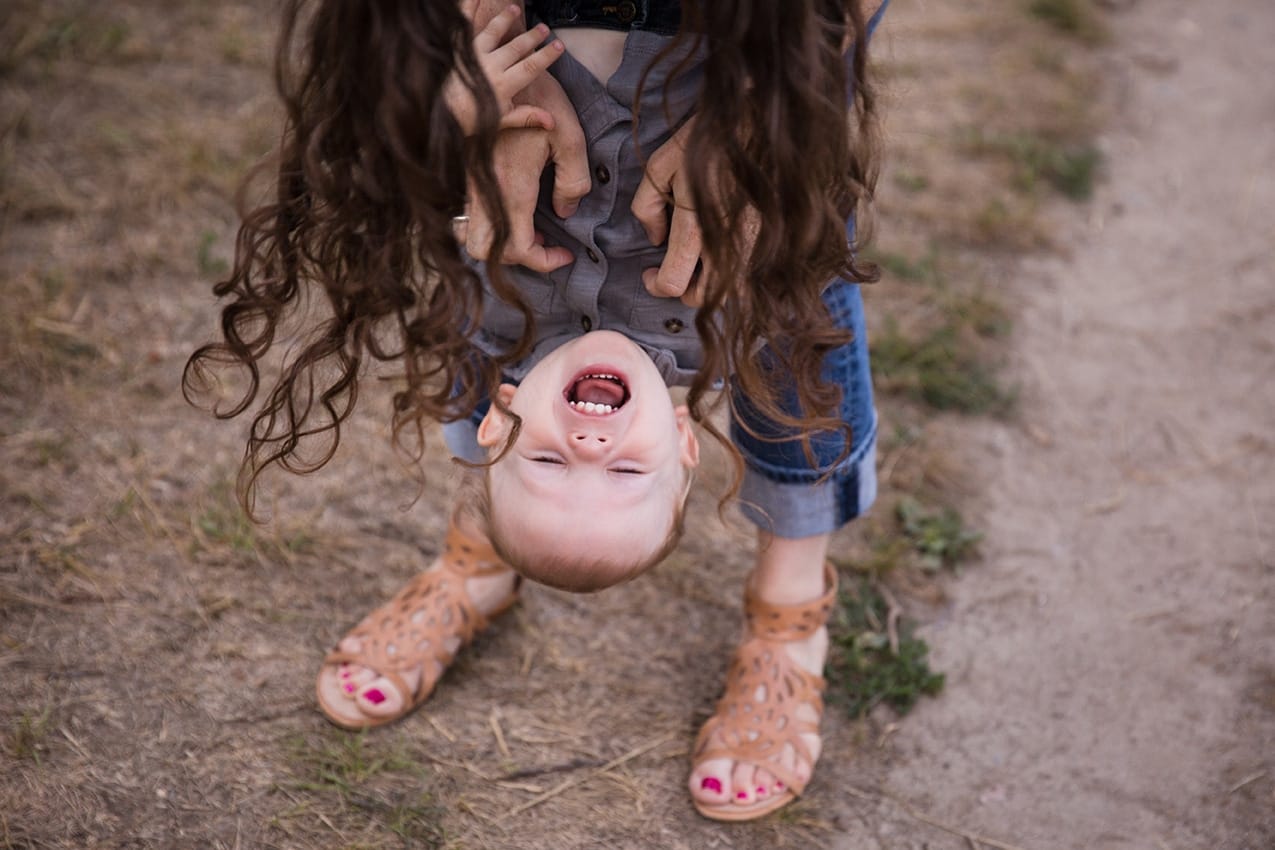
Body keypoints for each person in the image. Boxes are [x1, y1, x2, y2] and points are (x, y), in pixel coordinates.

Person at [185, 0, 887, 821]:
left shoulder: (501, 345)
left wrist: (464, 104)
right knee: (797, 324)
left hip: (736, 39)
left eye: (553, 458)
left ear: (498, 422)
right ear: (686, 445)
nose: (590, 440)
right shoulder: (722, 321)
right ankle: (506, 566)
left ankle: (780, 625)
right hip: (728, 63)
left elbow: (425, 189)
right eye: (623, 467)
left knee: (470, 314)